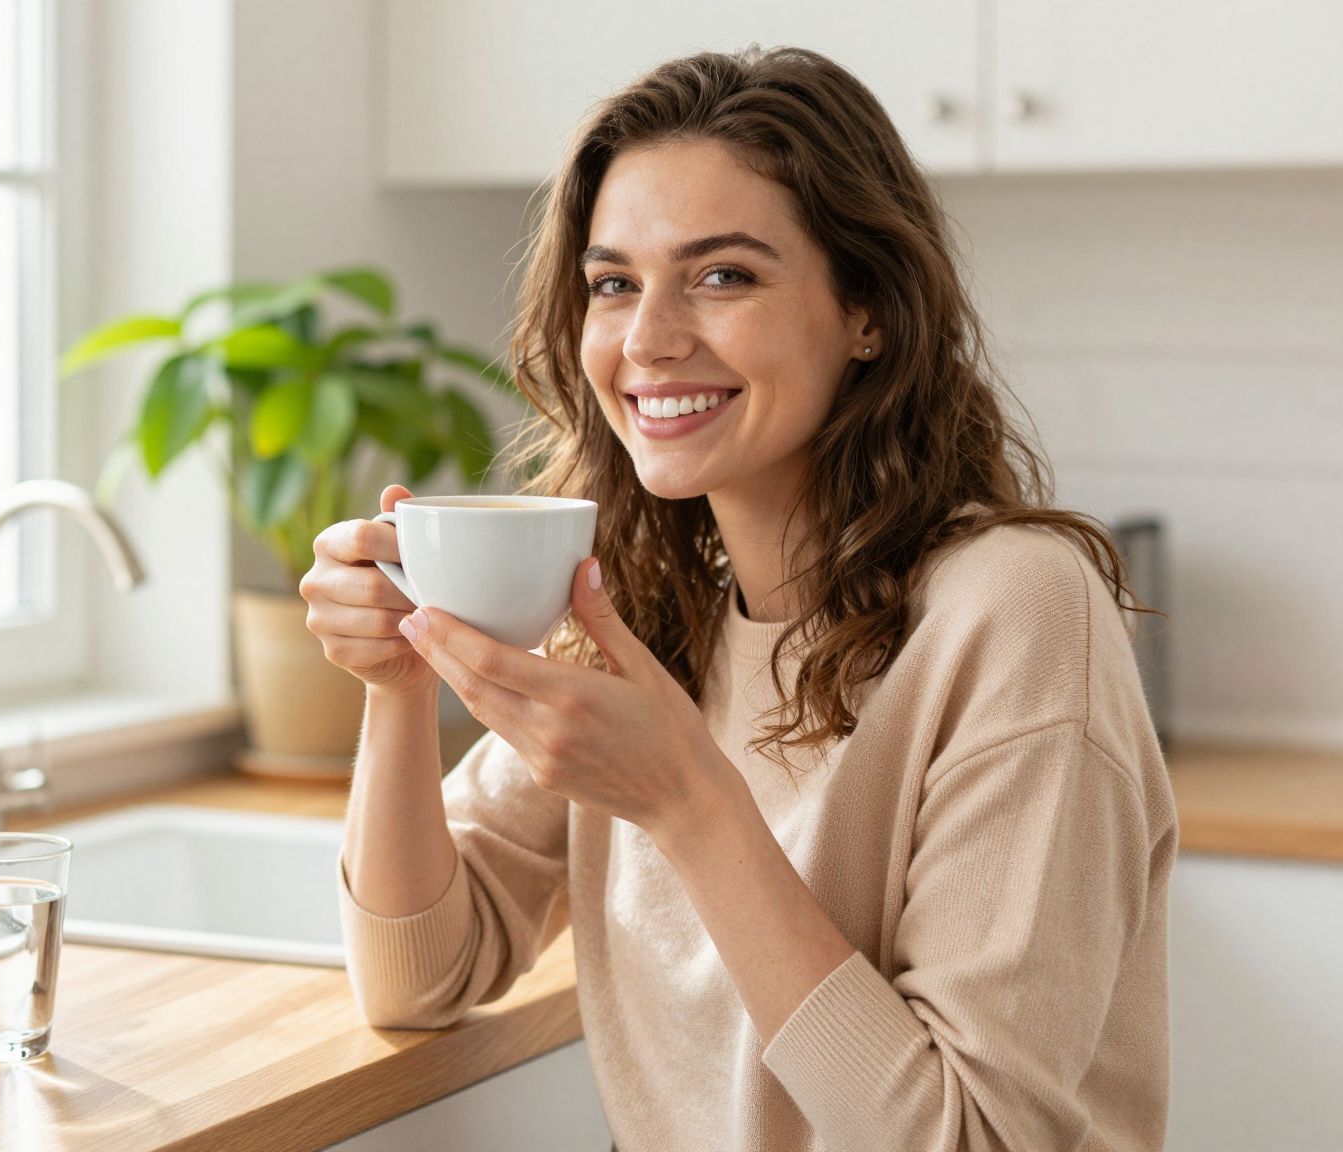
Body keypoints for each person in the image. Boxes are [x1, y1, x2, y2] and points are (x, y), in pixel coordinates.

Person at [300, 46, 1177, 1152]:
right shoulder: (645, 605)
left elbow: (973, 1138)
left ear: (866, 311)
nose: (648, 340)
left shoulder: (1011, 611)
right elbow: (416, 977)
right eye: (612, 282)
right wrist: (397, 682)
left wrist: (687, 804)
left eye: (723, 276)